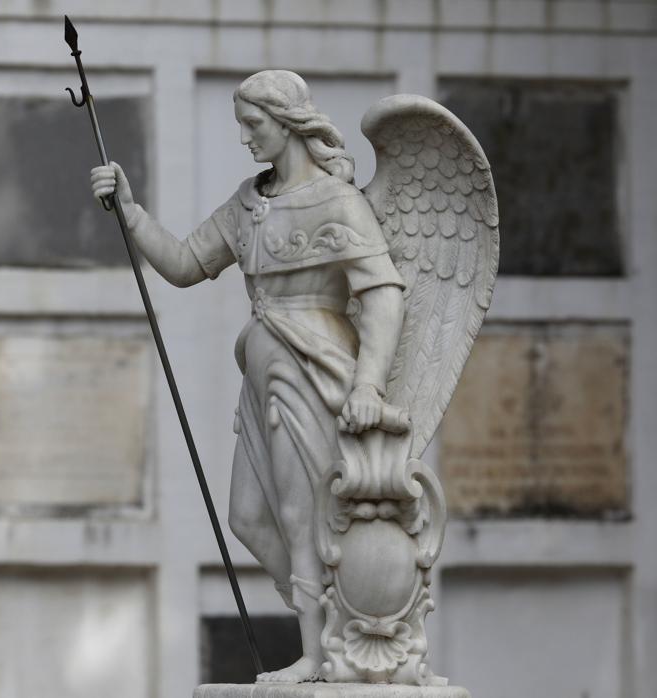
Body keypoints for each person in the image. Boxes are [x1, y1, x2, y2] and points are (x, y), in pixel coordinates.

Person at [90, 70, 406, 684]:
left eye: (253, 124)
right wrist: (129, 212)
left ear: (287, 124)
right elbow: (185, 264)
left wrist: (369, 383)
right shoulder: (249, 202)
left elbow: (384, 293)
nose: (244, 137)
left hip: (313, 374)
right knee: (249, 517)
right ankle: (334, 620)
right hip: (262, 378)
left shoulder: (338, 203)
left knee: (298, 509)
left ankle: (317, 653)